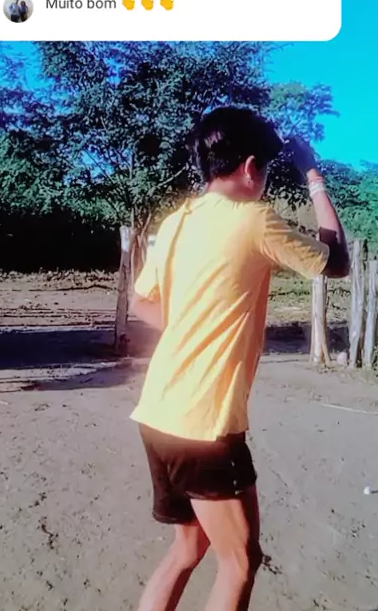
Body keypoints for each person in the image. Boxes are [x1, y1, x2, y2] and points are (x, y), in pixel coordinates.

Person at [130, 106, 349, 611]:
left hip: (158, 411)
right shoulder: (254, 220)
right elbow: (337, 262)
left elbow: (142, 302)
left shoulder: (177, 222)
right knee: (240, 562)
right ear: (251, 168)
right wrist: (313, 176)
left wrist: (189, 328)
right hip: (204, 424)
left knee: (188, 549)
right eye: (266, 170)